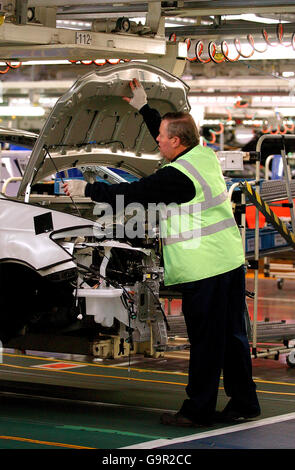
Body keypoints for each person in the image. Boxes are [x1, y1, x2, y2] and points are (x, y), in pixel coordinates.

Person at [63, 78, 260, 427]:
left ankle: (197, 410)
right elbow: (170, 135)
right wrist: (144, 109)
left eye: (161, 137)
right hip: (229, 262)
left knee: (205, 342)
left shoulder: (178, 176)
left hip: (205, 268)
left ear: (176, 141)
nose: (157, 141)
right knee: (232, 336)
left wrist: (87, 188)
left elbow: (135, 192)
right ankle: (244, 402)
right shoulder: (204, 156)